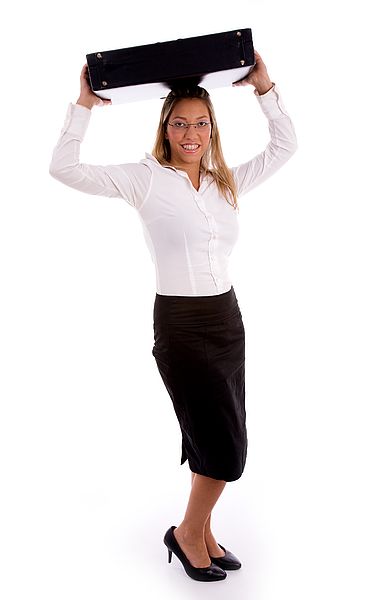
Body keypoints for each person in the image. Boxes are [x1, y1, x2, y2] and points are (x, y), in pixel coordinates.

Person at [49, 49, 297, 582]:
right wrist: (84, 105)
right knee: (225, 449)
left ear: (212, 129)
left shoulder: (224, 180)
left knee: (213, 436)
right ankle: (186, 533)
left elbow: (285, 146)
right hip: (182, 327)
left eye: (201, 123)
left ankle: (203, 532)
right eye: (181, 123)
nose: (192, 133)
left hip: (228, 321)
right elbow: (62, 168)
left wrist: (263, 88)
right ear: (166, 127)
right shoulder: (144, 178)